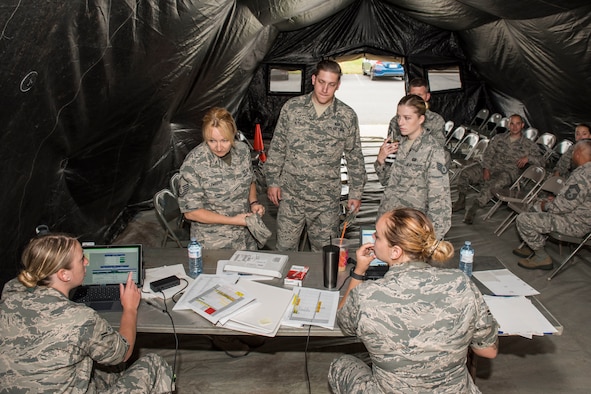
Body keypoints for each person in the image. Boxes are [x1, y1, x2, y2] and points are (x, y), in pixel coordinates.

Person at [328, 208, 498, 393]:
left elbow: (343, 320)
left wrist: (359, 271)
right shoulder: (461, 283)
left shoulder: (367, 295)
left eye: (377, 237)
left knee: (341, 365)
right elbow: (488, 351)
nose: (373, 240)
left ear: (395, 252)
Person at [0, 234, 174, 393]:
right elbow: (123, 352)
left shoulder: (10, 292)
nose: (87, 262)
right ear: (64, 275)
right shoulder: (80, 318)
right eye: (81, 258)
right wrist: (129, 308)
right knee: (154, 364)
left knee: (103, 366)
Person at [264, 59, 367, 251]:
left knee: (324, 254)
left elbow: (355, 157)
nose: (325, 89)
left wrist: (356, 193)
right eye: (321, 82)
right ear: (313, 79)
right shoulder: (292, 109)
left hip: (325, 202)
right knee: (285, 251)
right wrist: (272, 181)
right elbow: (278, 148)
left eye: (331, 84)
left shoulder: (346, 116)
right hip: (291, 197)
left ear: (338, 85)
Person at [178, 107, 266, 250]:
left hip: (246, 237)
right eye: (212, 141)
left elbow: (250, 180)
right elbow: (191, 212)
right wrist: (233, 221)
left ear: (233, 134)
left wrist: (254, 202)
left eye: (225, 140)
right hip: (215, 242)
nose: (219, 147)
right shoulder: (194, 163)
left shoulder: (242, 151)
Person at [374, 94, 451, 239]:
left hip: (411, 228)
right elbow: (387, 182)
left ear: (421, 119)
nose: (401, 122)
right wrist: (381, 160)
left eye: (407, 118)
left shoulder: (432, 150)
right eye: (399, 117)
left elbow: (440, 201)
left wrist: (433, 239)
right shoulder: (400, 144)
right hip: (390, 222)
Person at [513, 139, 591, 270]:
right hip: (580, 218)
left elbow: (561, 207)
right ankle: (532, 244)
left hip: (575, 223)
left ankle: (541, 257)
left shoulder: (582, 176)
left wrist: (546, 205)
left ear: (577, 154)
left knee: (524, 219)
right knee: (536, 207)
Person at [453, 114, 544, 224]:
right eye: (512, 123)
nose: (514, 127)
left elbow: (542, 161)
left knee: (494, 184)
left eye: (518, 124)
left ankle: (474, 208)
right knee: (465, 173)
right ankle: (461, 200)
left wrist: (528, 158)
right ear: (508, 125)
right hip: (491, 167)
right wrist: (486, 168)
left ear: (522, 125)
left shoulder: (529, 145)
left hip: (508, 172)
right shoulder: (498, 138)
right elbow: (487, 154)